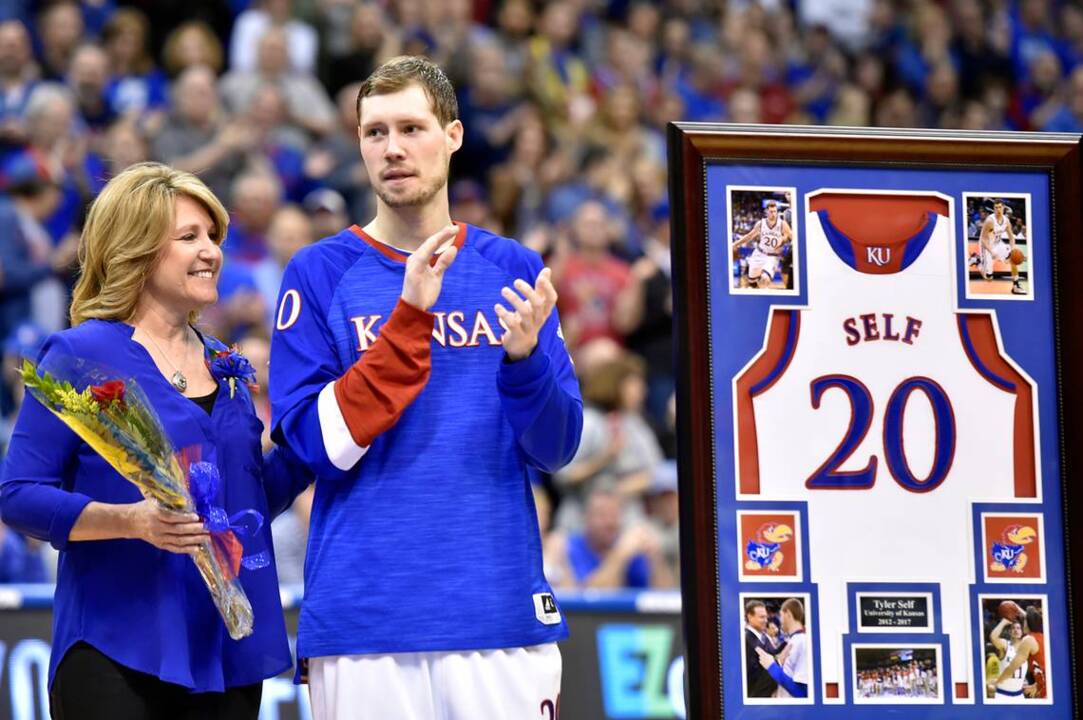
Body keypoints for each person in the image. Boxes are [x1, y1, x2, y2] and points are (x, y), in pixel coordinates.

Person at [268, 56, 583, 718]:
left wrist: (524, 360)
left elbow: (556, 449)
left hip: (497, 612)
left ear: (454, 135)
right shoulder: (318, 273)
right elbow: (308, 448)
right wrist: (407, 322)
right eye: (374, 132)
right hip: (364, 622)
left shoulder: (513, 268)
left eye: (411, 128)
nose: (393, 149)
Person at [0, 162, 312, 719]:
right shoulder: (80, 354)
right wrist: (130, 521)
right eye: (189, 237)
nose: (212, 250)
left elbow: (251, 499)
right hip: (118, 645)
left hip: (226, 648)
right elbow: (17, 493)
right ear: (138, 250)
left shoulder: (228, 366)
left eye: (214, 236)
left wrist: (320, 437)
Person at [756, 597, 810, 698]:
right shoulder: (793, 640)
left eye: (781, 615)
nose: (780, 621)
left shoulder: (802, 641)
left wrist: (771, 666)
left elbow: (801, 693)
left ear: (788, 614)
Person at [735, 199, 793, 289]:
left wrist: (783, 240)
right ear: (767, 212)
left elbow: (791, 236)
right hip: (759, 254)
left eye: (775, 211)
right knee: (752, 283)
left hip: (772, 256)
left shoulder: (782, 224)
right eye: (771, 212)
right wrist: (736, 243)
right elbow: (749, 236)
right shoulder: (761, 223)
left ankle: (763, 297)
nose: (773, 214)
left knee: (765, 278)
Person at [978, 198, 1025, 295]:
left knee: (1013, 258)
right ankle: (977, 261)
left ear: (1003, 208)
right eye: (996, 208)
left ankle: (1016, 286)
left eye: (1000, 207)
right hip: (986, 246)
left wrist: (1012, 250)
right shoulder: (989, 221)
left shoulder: (1006, 221)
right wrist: (992, 252)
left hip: (998, 244)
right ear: (993, 209)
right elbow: (983, 239)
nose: (998, 210)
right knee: (989, 277)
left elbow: (1011, 237)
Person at [744, 599, 779, 698]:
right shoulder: (746, 640)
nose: (766, 620)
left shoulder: (763, 637)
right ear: (750, 617)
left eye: (766, 617)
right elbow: (752, 675)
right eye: (761, 617)